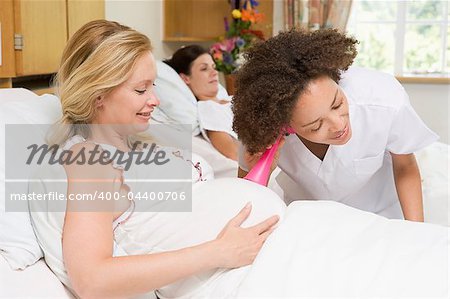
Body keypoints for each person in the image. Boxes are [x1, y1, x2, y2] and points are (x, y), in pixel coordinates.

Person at [28, 20, 279, 298]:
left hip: (258, 258)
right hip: (232, 279)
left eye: (153, 86)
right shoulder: (90, 159)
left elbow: (194, 217)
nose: (155, 100)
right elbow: (92, 279)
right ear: (98, 95)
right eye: (141, 89)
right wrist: (219, 252)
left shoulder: (144, 140)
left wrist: (247, 170)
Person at [233, 28, 438, 221]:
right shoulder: (261, 128)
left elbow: (405, 166)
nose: (339, 125)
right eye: (316, 126)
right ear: (286, 126)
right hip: (309, 218)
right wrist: (263, 168)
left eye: (337, 103)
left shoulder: (383, 99)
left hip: (382, 213)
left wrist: (414, 230)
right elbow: (244, 196)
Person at [164, 45, 239, 160]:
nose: (214, 72)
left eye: (213, 67)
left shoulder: (231, 99)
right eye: (204, 69)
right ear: (185, 78)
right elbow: (234, 154)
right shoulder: (208, 109)